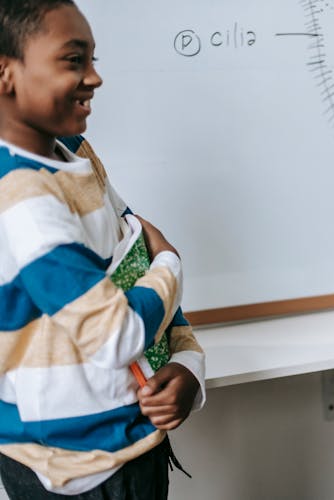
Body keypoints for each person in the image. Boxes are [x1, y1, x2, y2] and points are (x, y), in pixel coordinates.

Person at [0, 1, 206, 497]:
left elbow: (133, 266)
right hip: (74, 472)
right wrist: (172, 261)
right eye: (74, 60)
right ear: (5, 73)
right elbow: (117, 333)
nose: (94, 78)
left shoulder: (77, 157)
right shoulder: (21, 198)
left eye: (94, 59)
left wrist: (190, 370)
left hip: (136, 445)